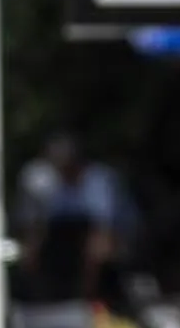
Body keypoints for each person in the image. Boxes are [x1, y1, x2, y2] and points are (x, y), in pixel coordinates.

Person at [13, 131, 140, 307]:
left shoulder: (99, 180)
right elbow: (41, 226)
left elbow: (102, 231)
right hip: (68, 242)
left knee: (95, 247)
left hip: (114, 238)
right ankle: (47, 302)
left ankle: (86, 300)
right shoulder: (52, 183)